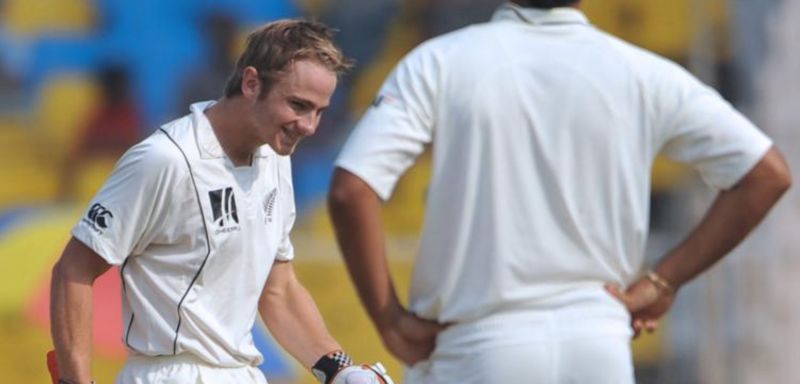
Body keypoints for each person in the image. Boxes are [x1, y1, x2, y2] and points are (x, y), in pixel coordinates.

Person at [327, 1, 792, 383]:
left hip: (479, 345)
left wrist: (389, 318)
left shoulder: (439, 61)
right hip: (598, 345)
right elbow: (766, 173)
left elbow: (352, 189)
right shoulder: (642, 71)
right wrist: (663, 281)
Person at [50, 19, 395, 384]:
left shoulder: (275, 158)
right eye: (298, 105)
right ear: (251, 83)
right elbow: (73, 270)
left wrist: (339, 368)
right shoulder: (165, 159)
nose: (309, 126)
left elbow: (278, 289)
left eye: (319, 111)